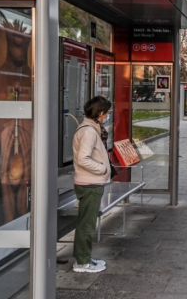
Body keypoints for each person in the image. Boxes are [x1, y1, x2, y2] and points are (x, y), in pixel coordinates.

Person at [72, 96, 113, 273]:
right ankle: (82, 262)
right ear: (101, 113)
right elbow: (83, 159)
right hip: (90, 183)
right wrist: (102, 169)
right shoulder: (89, 132)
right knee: (87, 225)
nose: (108, 115)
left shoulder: (89, 128)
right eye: (107, 112)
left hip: (89, 181)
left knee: (86, 223)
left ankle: (85, 257)